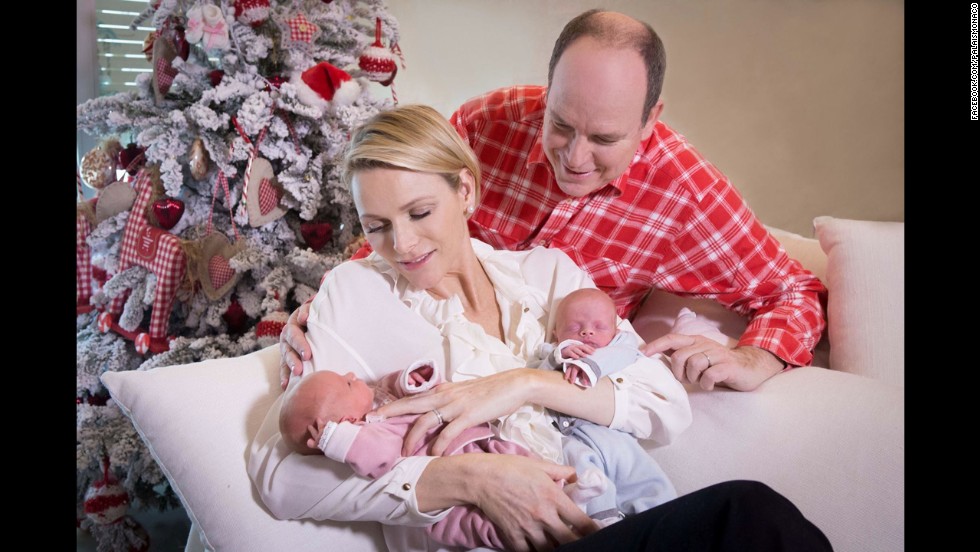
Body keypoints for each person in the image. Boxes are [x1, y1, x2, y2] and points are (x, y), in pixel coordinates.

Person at [247, 103, 833, 552]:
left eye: (420, 212)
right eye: (376, 225)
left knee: (759, 521)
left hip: (605, 525)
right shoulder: (357, 293)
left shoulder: (550, 275)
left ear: (466, 189)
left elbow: (663, 406)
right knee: (748, 517)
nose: (400, 244)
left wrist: (525, 383)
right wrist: (471, 479)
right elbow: (281, 476)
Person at [279, 9, 827, 394]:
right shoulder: (487, 121)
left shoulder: (684, 192)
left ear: (649, 119)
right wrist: (329, 310)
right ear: (547, 88)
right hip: (435, 346)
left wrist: (755, 357)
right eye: (560, 124)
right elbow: (404, 210)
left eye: (606, 139)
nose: (576, 158)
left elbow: (795, 290)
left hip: (558, 386)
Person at [279, 361, 606, 550]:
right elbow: (377, 459)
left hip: (476, 442)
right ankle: (555, 535)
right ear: (342, 424)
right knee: (486, 523)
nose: (353, 376)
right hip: (454, 503)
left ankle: (571, 494)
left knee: (524, 460)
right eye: (347, 385)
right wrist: (337, 440)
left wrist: (415, 377)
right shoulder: (366, 435)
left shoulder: (377, 400)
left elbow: (401, 388)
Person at [533, 287, 682, 523]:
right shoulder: (551, 353)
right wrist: (559, 355)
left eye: (599, 327)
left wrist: (588, 365)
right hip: (568, 435)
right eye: (573, 327)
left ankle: (667, 520)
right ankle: (603, 521)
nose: (586, 331)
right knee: (584, 472)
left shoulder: (620, 344)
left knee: (638, 472)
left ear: (615, 331)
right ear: (555, 334)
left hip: (610, 432)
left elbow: (623, 353)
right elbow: (533, 381)